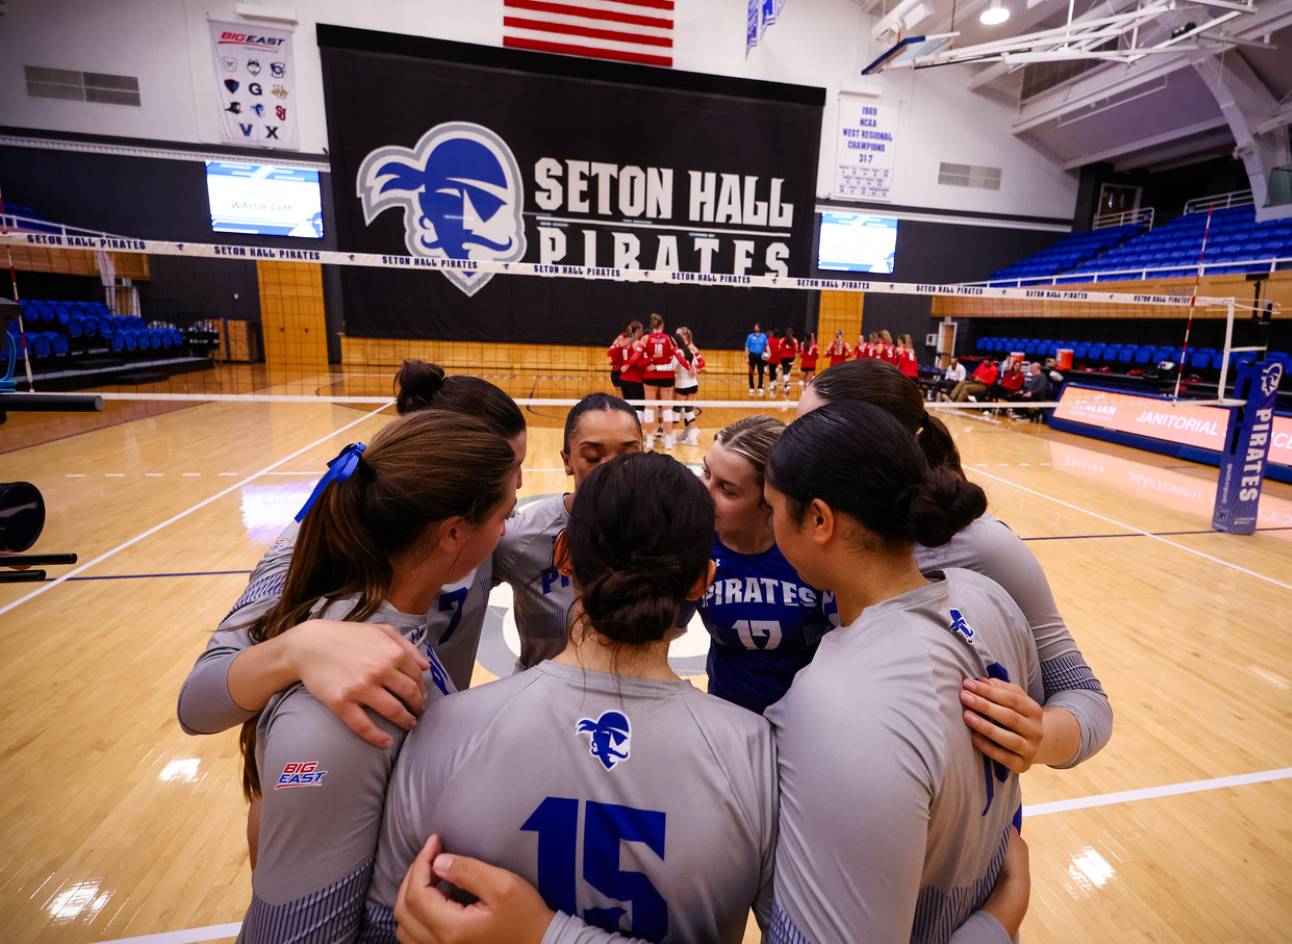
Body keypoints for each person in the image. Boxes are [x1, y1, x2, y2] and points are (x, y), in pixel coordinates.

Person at [366, 452, 778, 943]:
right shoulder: (754, 755)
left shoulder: (444, 729)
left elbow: (383, 927)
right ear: (701, 583)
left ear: (561, 555)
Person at [232, 411, 519, 943]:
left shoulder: (387, 628)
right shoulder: (338, 715)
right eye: (505, 515)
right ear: (455, 533)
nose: (507, 531)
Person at [764, 400, 1038, 943]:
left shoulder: (837, 697)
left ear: (818, 520)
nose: (768, 525)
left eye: (771, 508)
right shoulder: (990, 599)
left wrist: (998, 921)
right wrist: (1001, 910)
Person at [177, 361, 529, 743]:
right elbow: (197, 704)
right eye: (511, 467)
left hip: (428, 756)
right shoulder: (318, 540)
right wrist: (297, 648)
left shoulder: (486, 526)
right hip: (333, 760)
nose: (520, 482)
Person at [804, 359, 1113, 773]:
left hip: (952, 803)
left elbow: (1084, 698)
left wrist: (1038, 735)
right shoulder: (802, 524)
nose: (794, 448)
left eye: (811, 434)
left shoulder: (984, 547)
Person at [491, 394, 643, 670]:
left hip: (629, 704)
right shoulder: (519, 539)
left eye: (629, 456)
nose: (611, 469)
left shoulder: (663, 533)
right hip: (541, 702)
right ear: (567, 461)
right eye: (593, 456)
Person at [697, 416, 832, 715]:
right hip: (727, 718)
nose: (704, 492)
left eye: (726, 489)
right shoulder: (695, 542)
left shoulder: (815, 551)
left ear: (770, 500)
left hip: (810, 722)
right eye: (706, 473)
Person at [641, 312, 685, 449]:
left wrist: (651, 363)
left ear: (651, 325)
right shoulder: (669, 339)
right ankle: (668, 440)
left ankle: (649, 439)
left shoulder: (645, 338)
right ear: (662, 325)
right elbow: (676, 355)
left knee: (649, 407)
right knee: (667, 408)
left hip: (650, 376)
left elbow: (640, 358)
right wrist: (686, 367)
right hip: (667, 376)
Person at [673, 325, 705, 446]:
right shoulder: (684, 348)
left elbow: (701, 362)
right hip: (691, 383)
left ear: (684, 336)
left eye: (678, 334)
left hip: (684, 384)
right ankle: (690, 434)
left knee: (678, 408)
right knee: (688, 409)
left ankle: (672, 436)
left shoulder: (688, 348)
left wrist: (695, 369)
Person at [616, 320, 647, 422]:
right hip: (634, 379)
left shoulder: (624, 342)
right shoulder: (637, 343)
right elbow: (636, 357)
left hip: (623, 378)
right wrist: (627, 365)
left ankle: (627, 430)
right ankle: (638, 432)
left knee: (628, 406)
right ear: (638, 330)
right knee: (639, 407)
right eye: (641, 329)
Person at [606, 323, 632, 397]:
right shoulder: (621, 339)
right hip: (619, 371)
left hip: (621, 371)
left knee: (622, 394)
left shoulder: (622, 339)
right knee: (622, 394)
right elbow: (610, 353)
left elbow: (610, 352)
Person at [744, 321, 769, 397]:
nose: (755, 328)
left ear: (759, 328)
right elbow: (746, 347)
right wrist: (747, 357)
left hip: (761, 356)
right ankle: (751, 387)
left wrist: (769, 353)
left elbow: (767, 346)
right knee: (751, 372)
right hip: (752, 355)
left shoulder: (764, 336)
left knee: (761, 372)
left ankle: (760, 387)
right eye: (755, 327)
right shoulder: (750, 336)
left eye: (756, 327)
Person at [778, 327, 799, 394]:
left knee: (785, 371)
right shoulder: (795, 340)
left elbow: (779, 349)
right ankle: (786, 386)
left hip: (783, 357)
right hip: (791, 358)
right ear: (792, 333)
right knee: (787, 371)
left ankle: (787, 385)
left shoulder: (782, 340)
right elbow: (796, 350)